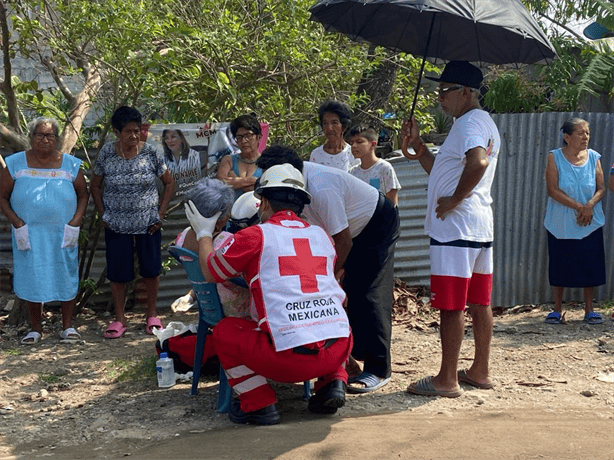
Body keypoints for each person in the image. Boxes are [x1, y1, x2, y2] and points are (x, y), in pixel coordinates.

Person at [185, 162, 352, 425]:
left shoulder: (254, 236)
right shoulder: (323, 236)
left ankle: (260, 403)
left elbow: (211, 272)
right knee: (334, 317)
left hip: (286, 361)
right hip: (337, 350)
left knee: (225, 332)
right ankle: (333, 383)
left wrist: (204, 232)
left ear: (262, 203)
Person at [257, 146, 400, 394]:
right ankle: (352, 357)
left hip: (377, 223)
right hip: (350, 231)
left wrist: (331, 275)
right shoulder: (291, 186)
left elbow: (343, 240)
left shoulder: (322, 187)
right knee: (347, 294)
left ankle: (379, 369)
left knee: (368, 292)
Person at [401, 61, 501, 397]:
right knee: (478, 302)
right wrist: (419, 147)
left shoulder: (468, 124)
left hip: (455, 230)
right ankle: (480, 370)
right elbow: (442, 171)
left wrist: (456, 198)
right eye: (438, 89)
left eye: (446, 90)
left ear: (466, 93)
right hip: (477, 227)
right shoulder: (478, 123)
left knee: (452, 305)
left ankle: (447, 379)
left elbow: (478, 162)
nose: (440, 96)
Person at [0, 117, 88, 344]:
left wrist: (76, 221)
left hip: (63, 232)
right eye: (39, 135)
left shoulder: (70, 164)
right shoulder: (16, 163)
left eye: (50, 135)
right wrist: (16, 222)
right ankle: (35, 329)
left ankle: (67, 326)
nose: (45, 139)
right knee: (32, 274)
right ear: (31, 138)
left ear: (57, 139)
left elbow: (83, 194)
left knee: (66, 273)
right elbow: (2, 197)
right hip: (28, 232)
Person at [91, 106, 174, 339]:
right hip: (116, 224)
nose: (134, 136)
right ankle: (119, 319)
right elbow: (95, 185)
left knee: (151, 269)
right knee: (118, 273)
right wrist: (102, 213)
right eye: (128, 131)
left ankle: (151, 315)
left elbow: (169, 182)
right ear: (117, 132)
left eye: (137, 131)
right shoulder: (107, 153)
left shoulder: (151, 153)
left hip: (148, 223)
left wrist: (161, 211)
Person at [544, 118, 605, 325]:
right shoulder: (555, 157)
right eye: (580, 133)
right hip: (560, 221)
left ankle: (589, 310)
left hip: (590, 221)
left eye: (587, 133)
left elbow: (601, 188)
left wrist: (589, 206)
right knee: (560, 263)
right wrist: (579, 207)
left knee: (591, 264)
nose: (585, 137)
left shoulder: (594, 157)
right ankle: (557, 310)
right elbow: (552, 190)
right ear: (567, 137)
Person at [173, 183, 259, 318]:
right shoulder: (227, 243)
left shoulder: (181, 239)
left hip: (208, 307)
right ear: (221, 218)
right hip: (234, 311)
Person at [347, 125, 401, 206]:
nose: (354, 146)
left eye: (359, 142)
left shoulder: (384, 168)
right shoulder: (352, 172)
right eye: (351, 143)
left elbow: (392, 202)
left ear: (373, 144)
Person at [216, 114, 263, 200]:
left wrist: (234, 179)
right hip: (231, 212)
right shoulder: (228, 160)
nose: (244, 141)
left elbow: (267, 190)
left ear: (258, 137)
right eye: (239, 137)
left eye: (248, 136)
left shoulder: (267, 162)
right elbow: (220, 183)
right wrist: (252, 181)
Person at [309, 100, 359, 171]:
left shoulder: (353, 154)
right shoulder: (316, 155)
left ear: (343, 127)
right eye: (325, 123)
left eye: (334, 123)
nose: (329, 128)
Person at [162, 128, 205, 197]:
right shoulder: (162, 160)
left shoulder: (195, 155)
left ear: (181, 139)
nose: (169, 141)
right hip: (172, 200)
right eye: (166, 138)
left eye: (173, 137)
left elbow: (199, 182)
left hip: (194, 196)